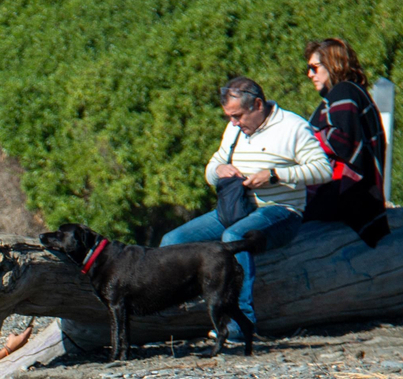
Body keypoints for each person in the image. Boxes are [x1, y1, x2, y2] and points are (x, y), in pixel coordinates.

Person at [160, 76, 331, 337]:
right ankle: (170, 310)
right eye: (230, 116)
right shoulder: (234, 129)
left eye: (237, 116)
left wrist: (274, 175)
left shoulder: (293, 127)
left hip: (279, 211)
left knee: (234, 237)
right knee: (173, 239)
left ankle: (242, 325)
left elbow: (323, 170)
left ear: (258, 105)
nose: (233, 122)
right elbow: (211, 169)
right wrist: (219, 170)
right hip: (236, 209)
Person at [303, 38, 390, 246]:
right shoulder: (350, 92)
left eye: (314, 68)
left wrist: (302, 140)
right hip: (353, 194)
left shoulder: (344, 91)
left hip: (346, 192)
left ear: (333, 64)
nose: (310, 74)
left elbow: (343, 140)